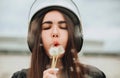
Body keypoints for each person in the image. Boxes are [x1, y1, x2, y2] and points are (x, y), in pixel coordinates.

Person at [11, 0, 106, 78]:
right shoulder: (20, 76)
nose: (55, 33)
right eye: (47, 27)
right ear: (37, 37)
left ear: (74, 36)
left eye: (63, 27)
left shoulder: (94, 75)